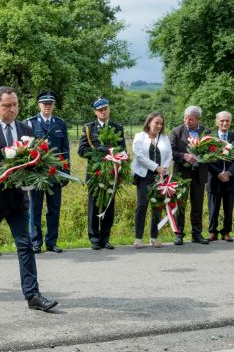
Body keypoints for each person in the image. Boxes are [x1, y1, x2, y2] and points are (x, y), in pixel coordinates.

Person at [0, 86, 57, 312]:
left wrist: (37, 168)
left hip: (18, 200)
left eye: (15, 104)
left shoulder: (26, 128)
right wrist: (4, 167)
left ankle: (33, 295)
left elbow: (34, 158)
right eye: (7, 105)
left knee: (25, 246)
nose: (12, 109)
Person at [78, 97, 126, 250]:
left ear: (109, 109)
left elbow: (123, 149)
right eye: (100, 110)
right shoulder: (88, 128)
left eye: (105, 109)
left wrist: (117, 156)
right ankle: (94, 239)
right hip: (95, 172)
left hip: (112, 171)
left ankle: (105, 238)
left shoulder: (117, 127)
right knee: (94, 205)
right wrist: (99, 153)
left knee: (109, 205)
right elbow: (82, 150)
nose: (103, 112)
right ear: (95, 112)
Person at [26, 90, 69, 254]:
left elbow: (65, 150)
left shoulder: (60, 123)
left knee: (54, 209)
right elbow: (25, 150)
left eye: (50, 104)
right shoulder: (30, 123)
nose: (47, 106)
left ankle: (52, 242)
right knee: (35, 208)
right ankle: (36, 242)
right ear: (39, 105)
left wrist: (66, 172)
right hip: (37, 172)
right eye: (45, 104)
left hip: (55, 173)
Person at [169, 106, 210, 246]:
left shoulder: (206, 131)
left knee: (197, 204)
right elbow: (171, 151)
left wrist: (204, 155)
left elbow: (212, 150)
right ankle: (179, 234)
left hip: (199, 174)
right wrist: (183, 156)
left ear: (198, 119)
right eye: (185, 118)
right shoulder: (176, 131)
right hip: (182, 174)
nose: (187, 121)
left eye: (190, 119)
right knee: (180, 204)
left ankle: (197, 234)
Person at [131, 111, 172, 248]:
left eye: (161, 124)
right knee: (142, 205)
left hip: (160, 177)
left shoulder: (165, 138)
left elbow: (169, 155)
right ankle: (138, 239)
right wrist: (156, 167)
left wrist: (164, 169)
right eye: (156, 123)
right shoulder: (139, 137)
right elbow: (139, 156)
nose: (159, 126)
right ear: (149, 123)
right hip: (144, 176)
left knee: (157, 206)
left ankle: (154, 237)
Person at [206, 111, 234, 242]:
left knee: (228, 207)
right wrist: (219, 173)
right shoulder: (208, 138)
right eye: (222, 121)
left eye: (227, 121)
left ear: (230, 122)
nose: (224, 123)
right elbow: (206, 159)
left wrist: (228, 173)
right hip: (214, 178)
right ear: (217, 122)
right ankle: (212, 232)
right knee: (213, 207)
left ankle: (226, 231)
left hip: (231, 178)